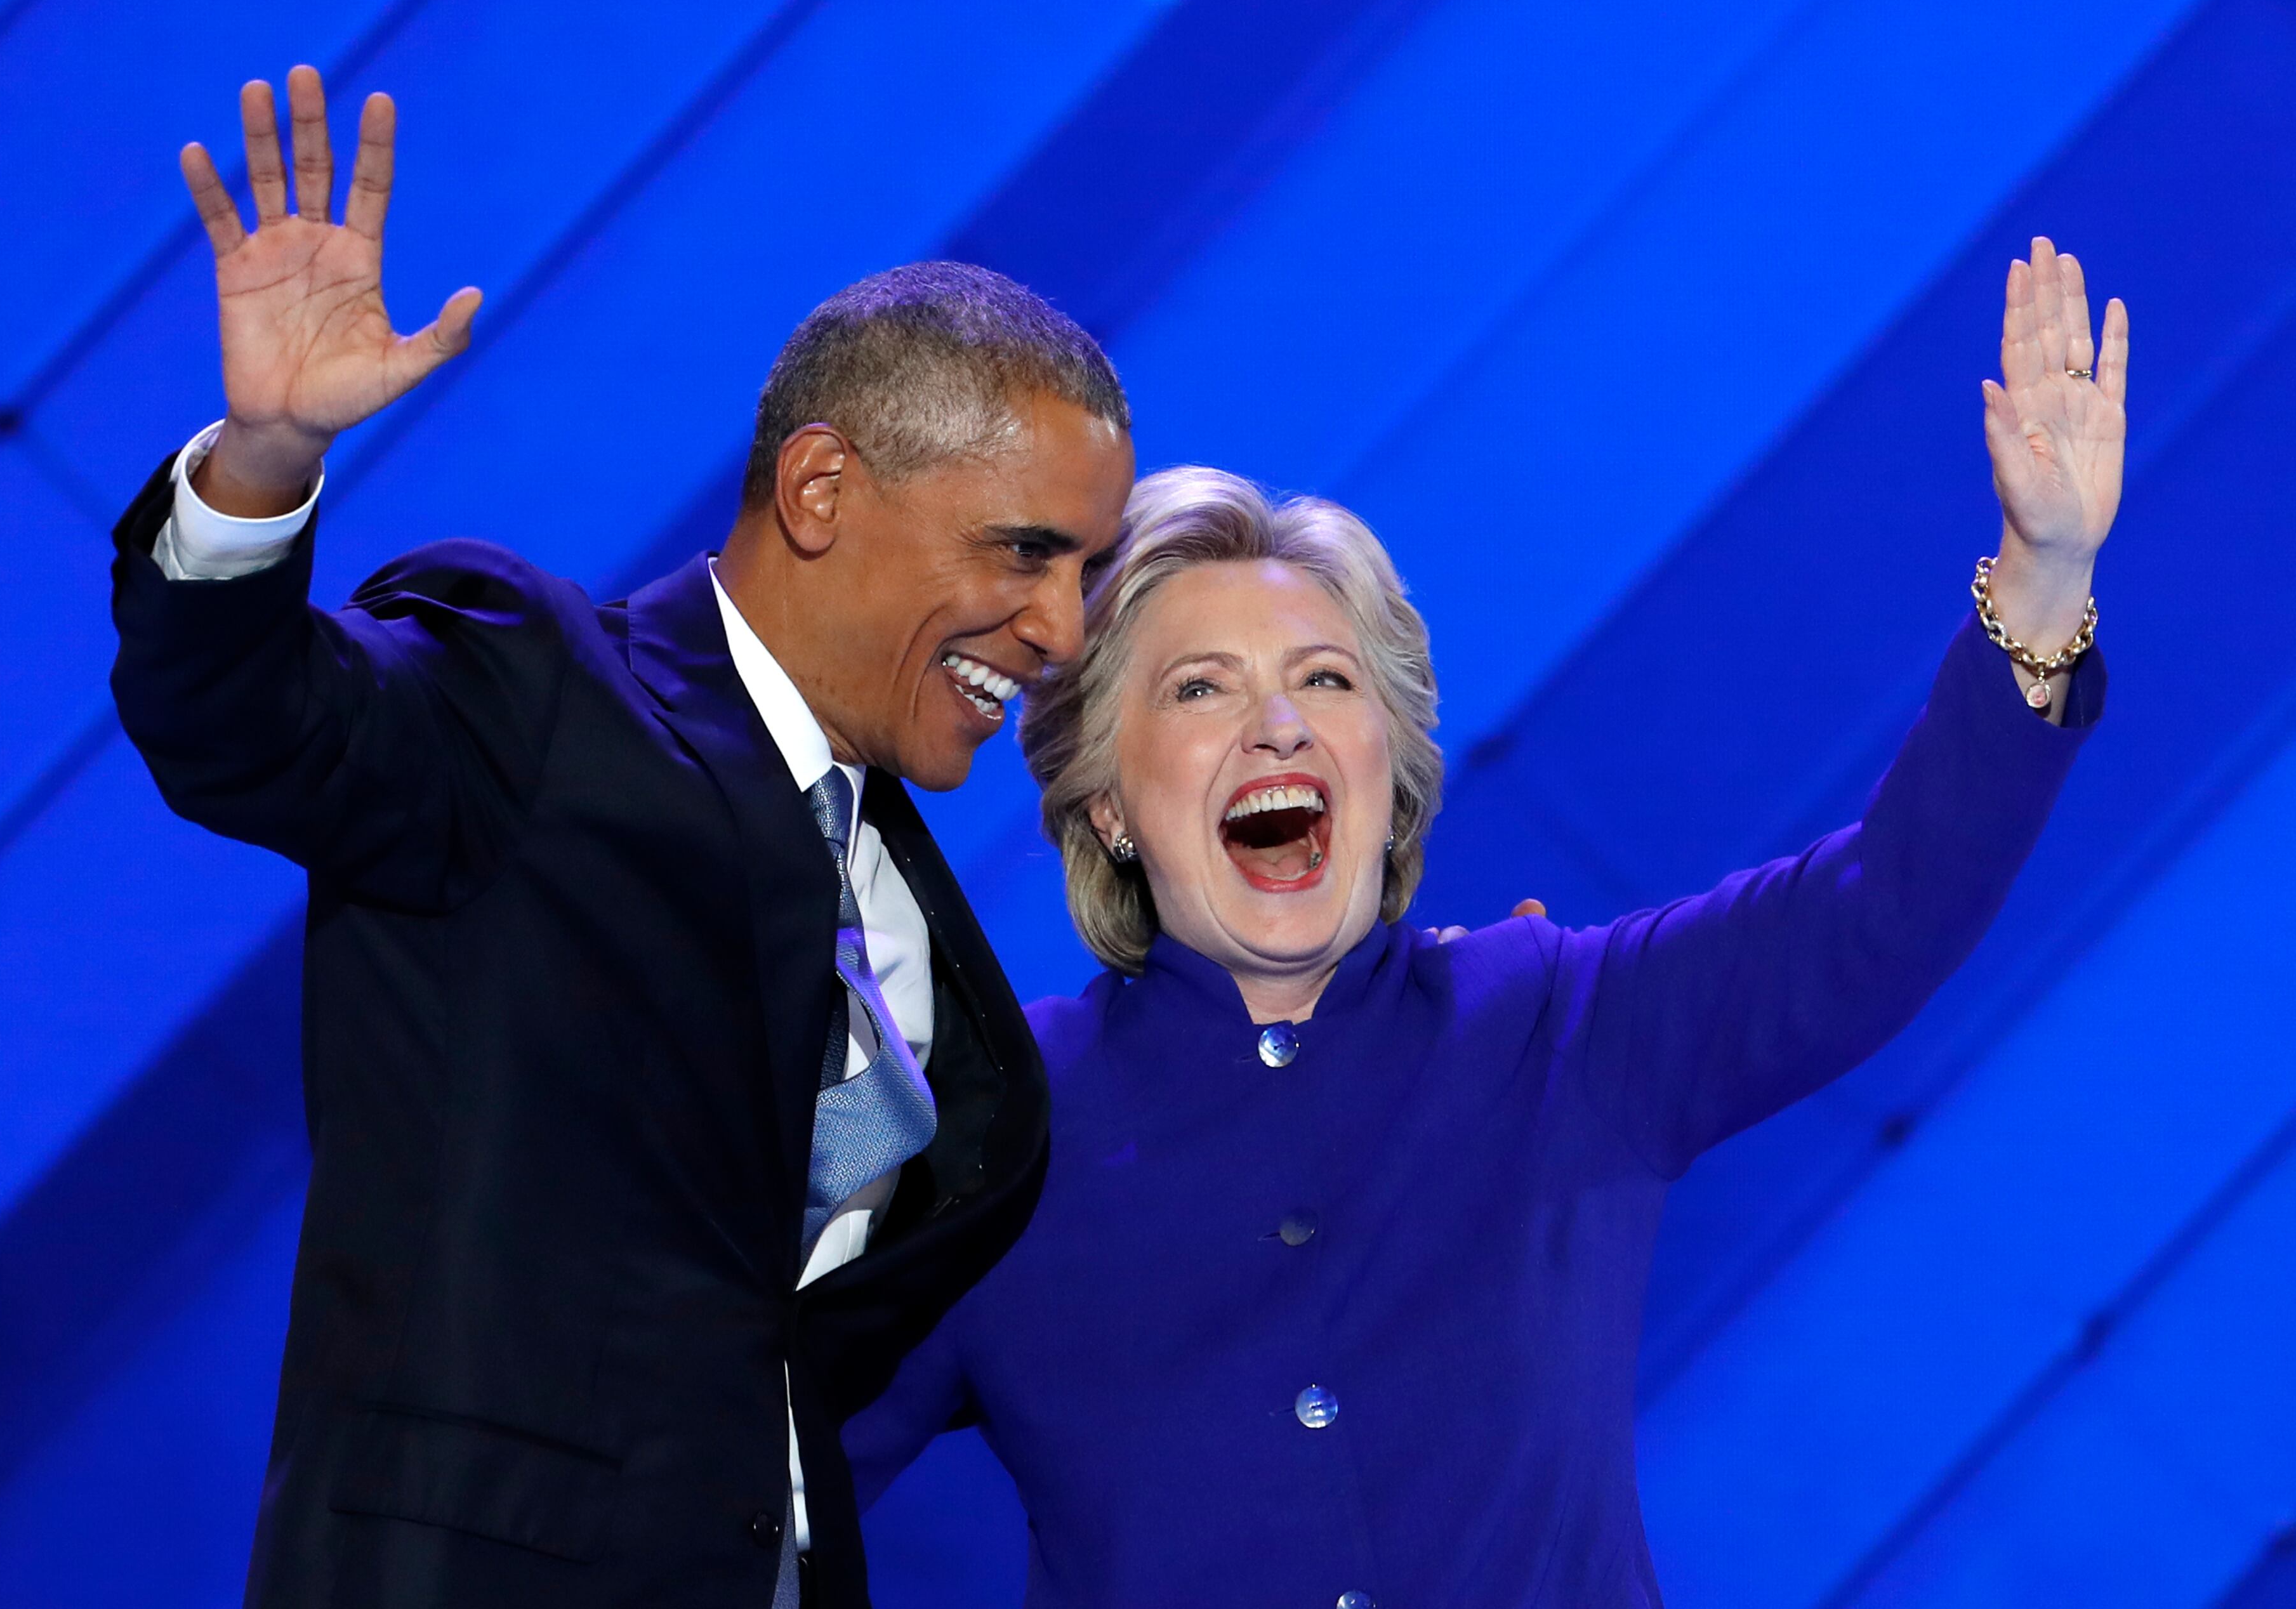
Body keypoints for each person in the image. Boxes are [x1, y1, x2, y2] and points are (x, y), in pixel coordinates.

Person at [842, 237, 2125, 1606]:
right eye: (1202, 689)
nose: (1278, 720)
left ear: (1389, 774)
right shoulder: (986, 1133)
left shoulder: (1559, 1026)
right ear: (1104, 799)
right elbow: (752, 1477)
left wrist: (2044, 575)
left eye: (1324, 680)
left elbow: (1886, 905)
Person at [107, 70, 1132, 1609]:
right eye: (1025, 553)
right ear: (822, 488)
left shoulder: (904, 900)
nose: (1060, 627)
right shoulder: (535, 691)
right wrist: (261, 465)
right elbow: (244, 719)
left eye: (1087, 571)